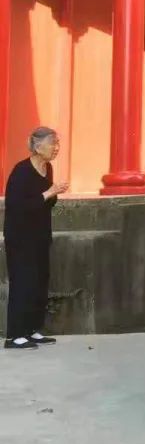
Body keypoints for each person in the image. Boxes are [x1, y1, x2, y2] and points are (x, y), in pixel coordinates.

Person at [3, 127, 68, 349]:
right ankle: (14, 335)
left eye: (58, 143)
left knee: (40, 283)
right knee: (23, 283)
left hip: (40, 235)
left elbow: (45, 205)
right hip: (20, 238)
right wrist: (49, 192)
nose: (56, 147)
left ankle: (32, 329)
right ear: (37, 146)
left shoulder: (47, 168)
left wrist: (54, 193)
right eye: (53, 143)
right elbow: (16, 206)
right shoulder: (21, 171)